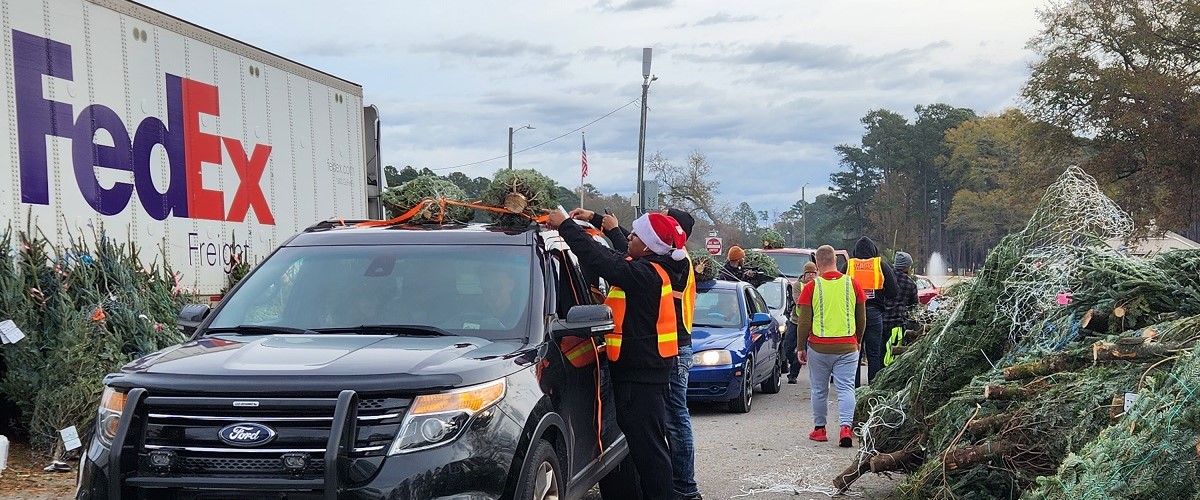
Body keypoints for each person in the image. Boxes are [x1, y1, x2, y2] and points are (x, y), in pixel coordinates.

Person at [547, 209, 688, 500]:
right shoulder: (649, 267)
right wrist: (601, 223)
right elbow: (615, 256)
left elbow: (601, 259)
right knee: (645, 445)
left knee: (650, 450)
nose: (629, 238)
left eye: (634, 235)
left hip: (642, 375)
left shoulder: (645, 274)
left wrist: (566, 226)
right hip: (643, 371)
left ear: (648, 246)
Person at [796, 245, 866, 448]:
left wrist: (801, 347)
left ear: (817, 264)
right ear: (836, 261)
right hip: (847, 346)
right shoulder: (852, 284)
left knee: (819, 389)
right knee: (846, 388)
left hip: (819, 347)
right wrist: (858, 339)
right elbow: (861, 317)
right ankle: (846, 427)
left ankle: (819, 429)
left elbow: (803, 321)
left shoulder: (811, 287)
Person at [846, 236, 898, 386]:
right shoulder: (880, 266)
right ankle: (872, 386)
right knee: (874, 354)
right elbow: (893, 291)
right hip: (874, 313)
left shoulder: (849, 266)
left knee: (854, 352)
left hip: (853, 314)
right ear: (874, 251)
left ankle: (853, 387)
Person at [782, 261, 818, 384]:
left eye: (814, 273)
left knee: (802, 348)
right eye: (810, 274)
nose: (812, 276)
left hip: (810, 322)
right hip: (795, 321)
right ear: (804, 274)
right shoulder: (797, 285)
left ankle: (793, 375)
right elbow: (798, 301)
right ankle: (793, 362)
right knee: (788, 346)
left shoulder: (818, 285)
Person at [882, 251, 918, 367]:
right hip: (897, 323)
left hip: (881, 321)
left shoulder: (884, 278)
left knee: (879, 353)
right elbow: (914, 305)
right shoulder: (909, 283)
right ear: (907, 266)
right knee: (894, 355)